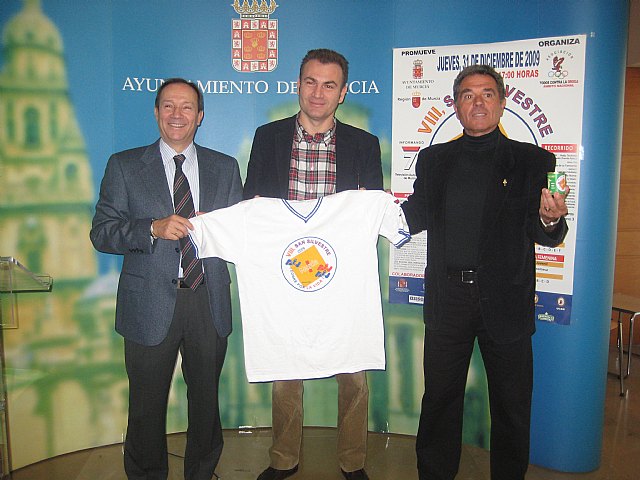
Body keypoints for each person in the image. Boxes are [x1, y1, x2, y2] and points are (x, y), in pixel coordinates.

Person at [400, 64, 569, 480]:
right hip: (448, 301)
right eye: (468, 95)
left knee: (511, 406)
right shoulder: (433, 159)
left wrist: (549, 221)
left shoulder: (533, 161)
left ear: (503, 101)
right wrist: (368, 212)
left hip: (506, 302)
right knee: (440, 401)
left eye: (487, 94)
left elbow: (544, 232)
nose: (478, 102)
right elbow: (415, 214)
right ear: (456, 105)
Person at [90, 78, 243, 480]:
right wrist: (151, 228)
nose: (177, 115)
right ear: (156, 113)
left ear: (201, 116)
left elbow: (239, 234)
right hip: (148, 304)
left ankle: (202, 472)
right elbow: (102, 232)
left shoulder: (224, 167)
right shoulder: (124, 166)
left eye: (187, 107)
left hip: (207, 300)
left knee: (206, 401)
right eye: (168, 107)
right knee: (145, 404)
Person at [243, 48, 382, 480]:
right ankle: (283, 460)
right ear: (297, 84)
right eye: (310, 82)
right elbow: (251, 207)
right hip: (283, 276)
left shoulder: (364, 144)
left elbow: (372, 213)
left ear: (343, 93)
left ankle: (352, 462)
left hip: (341, 277)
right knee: (286, 373)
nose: (317, 93)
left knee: (353, 376)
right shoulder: (268, 138)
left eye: (328, 85)